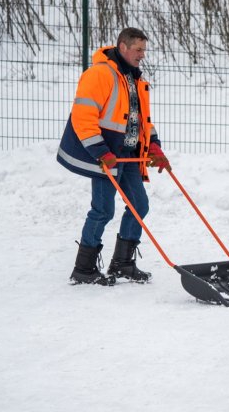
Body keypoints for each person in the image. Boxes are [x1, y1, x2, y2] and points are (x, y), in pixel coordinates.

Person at [57, 27, 171, 286]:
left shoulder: (134, 79)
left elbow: (141, 120)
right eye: (138, 49)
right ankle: (83, 268)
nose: (143, 55)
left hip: (128, 153)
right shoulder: (99, 74)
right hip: (105, 154)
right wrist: (101, 152)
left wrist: (154, 147)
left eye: (144, 50)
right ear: (123, 47)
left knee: (139, 205)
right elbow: (83, 117)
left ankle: (122, 264)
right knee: (103, 210)